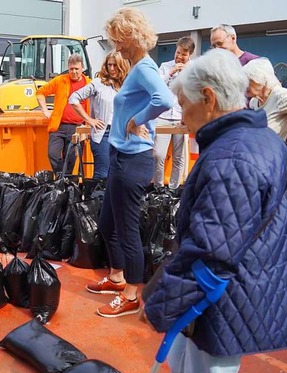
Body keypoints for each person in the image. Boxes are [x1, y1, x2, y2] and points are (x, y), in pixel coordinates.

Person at [142, 49, 287, 373]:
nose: (181, 117)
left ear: (208, 98)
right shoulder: (255, 139)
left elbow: (211, 251)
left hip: (224, 295)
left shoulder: (233, 157)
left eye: (183, 104)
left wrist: (159, 304)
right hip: (236, 288)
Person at [86, 6, 173, 317]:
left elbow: (164, 99)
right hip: (121, 155)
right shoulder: (136, 67)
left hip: (133, 160)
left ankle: (133, 295)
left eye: (118, 39)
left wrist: (137, 119)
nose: (116, 46)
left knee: (126, 229)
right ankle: (117, 276)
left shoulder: (144, 68)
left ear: (132, 36)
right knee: (108, 224)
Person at [243, 57, 287, 181]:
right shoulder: (254, 102)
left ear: (262, 80)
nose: (245, 86)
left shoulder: (280, 95)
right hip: (271, 160)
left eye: (249, 81)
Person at [68, 51, 130, 179]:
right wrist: (90, 120)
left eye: (115, 65)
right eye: (109, 65)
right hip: (104, 134)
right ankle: (97, 198)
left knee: (120, 176)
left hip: (123, 133)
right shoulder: (98, 83)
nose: (112, 69)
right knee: (102, 175)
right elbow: (73, 98)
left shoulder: (128, 85)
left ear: (122, 66)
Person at [36, 54, 91, 175]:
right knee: (53, 154)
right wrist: (45, 110)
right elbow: (40, 92)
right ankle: (63, 176)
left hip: (77, 128)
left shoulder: (89, 84)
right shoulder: (60, 80)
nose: (74, 72)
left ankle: (65, 184)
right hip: (58, 126)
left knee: (71, 160)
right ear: (68, 68)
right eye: (71, 69)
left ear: (82, 68)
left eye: (76, 69)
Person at [153, 36, 195, 189]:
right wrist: (171, 72)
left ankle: (173, 189)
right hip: (162, 116)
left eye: (183, 54)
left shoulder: (194, 68)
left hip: (182, 117)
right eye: (177, 53)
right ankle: (158, 189)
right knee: (158, 154)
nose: (179, 56)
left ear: (189, 54)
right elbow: (156, 86)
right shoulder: (165, 66)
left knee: (179, 157)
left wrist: (187, 73)